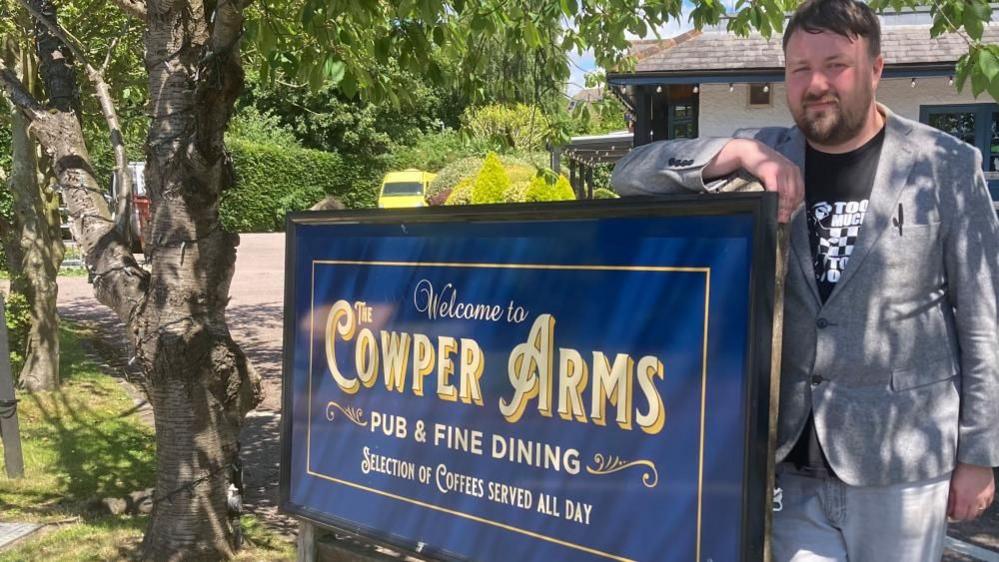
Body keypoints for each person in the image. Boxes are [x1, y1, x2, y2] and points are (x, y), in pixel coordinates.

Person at [611, 0, 999, 559]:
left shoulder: (947, 165)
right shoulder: (759, 156)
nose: (816, 83)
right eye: (799, 69)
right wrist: (737, 151)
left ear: (876, 69)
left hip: (902, 464)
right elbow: (630, 174)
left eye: (836, 65)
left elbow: (985, 321)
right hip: (786, 469)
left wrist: (980, 453)